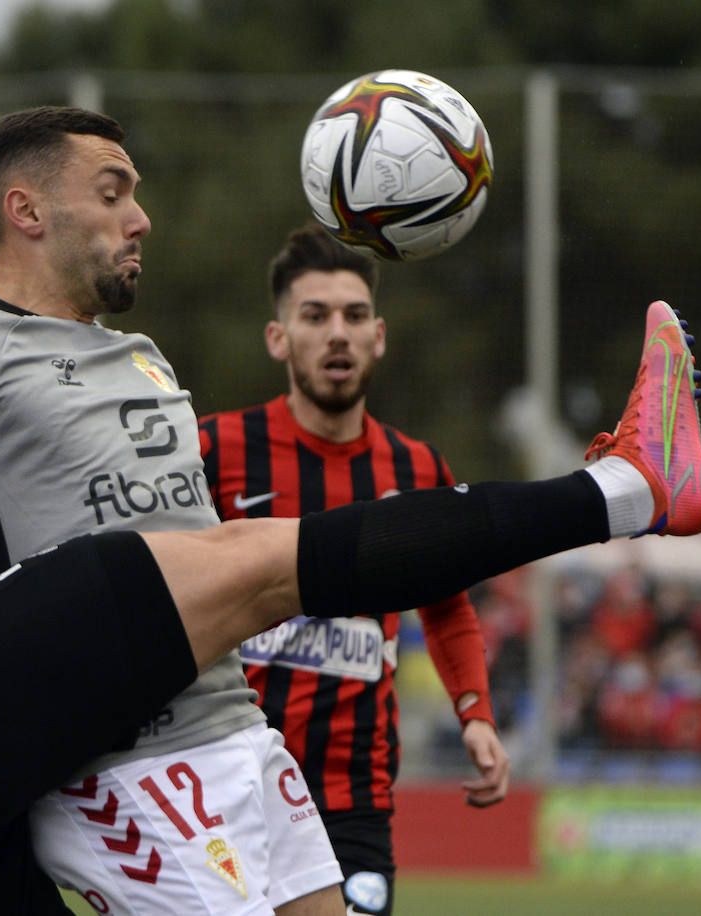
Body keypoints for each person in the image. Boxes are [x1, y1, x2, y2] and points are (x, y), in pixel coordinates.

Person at [0, 107, 701, 915]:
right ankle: (627, 488)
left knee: (254, 550)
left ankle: (630, 488)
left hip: (235, 729)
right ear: (27, 212)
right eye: (114, 193)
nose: (142, 219)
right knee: (257, 552)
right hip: (122, 746)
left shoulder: (147, 357)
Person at [198, 224, 506, 915]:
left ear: (379, 337)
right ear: (279, 338)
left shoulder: (418, 471)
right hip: (227, 778)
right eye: (315, 316)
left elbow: (448, 607)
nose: (337, 332)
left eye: (354, 315)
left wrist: (475, 713)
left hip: (353, 798)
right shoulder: (214, 450)